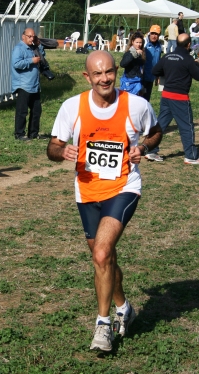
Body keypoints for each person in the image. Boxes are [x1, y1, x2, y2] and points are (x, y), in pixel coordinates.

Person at [47, 50, 162, 353]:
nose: (104, 79)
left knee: (100, 253)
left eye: (109, 72)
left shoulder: (136, 105)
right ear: (87, 77)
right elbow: (53, 146)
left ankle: (102, 325)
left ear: (116, 72)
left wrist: (145, 148)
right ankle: (124, 307)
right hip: (86, 191)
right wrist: (63, 153)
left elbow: (156, 133)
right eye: (97, 74)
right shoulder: (72, 107)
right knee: (105, 258)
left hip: (124, 186)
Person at [147, 34, 199, 164]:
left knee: (160, 124)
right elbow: (198, 76)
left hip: (166, 95)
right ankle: (190, 156)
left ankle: (151, 150)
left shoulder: (167, 56)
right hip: (180, 98)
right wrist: (197, 64)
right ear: (189, 44)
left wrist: (167, 72)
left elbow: (155, 71)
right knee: (186, 126)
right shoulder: (188, 59)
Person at [11, 27, 46, 141]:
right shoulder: (19, 48)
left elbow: (42, 56)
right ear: (23, 36)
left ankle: (33, 133)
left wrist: (39, 45)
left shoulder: (33, 48)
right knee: (22, 111)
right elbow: (16, 64)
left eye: (33, 36)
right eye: (29, 36)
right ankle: (19, 134)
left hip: (34, 85)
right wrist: (31, 61)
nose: (31, 39)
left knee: (36, 110)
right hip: (24, 85)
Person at [143, 25, 163, 102]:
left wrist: (157, 76)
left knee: (147, 99)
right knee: (140, 99)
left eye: (156, 34)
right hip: (143, 76)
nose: (154, 36)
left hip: (151, 76)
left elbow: (158, 60)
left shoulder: (159, 45)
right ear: (149, 33)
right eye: (152, 33)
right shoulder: (145, 43)